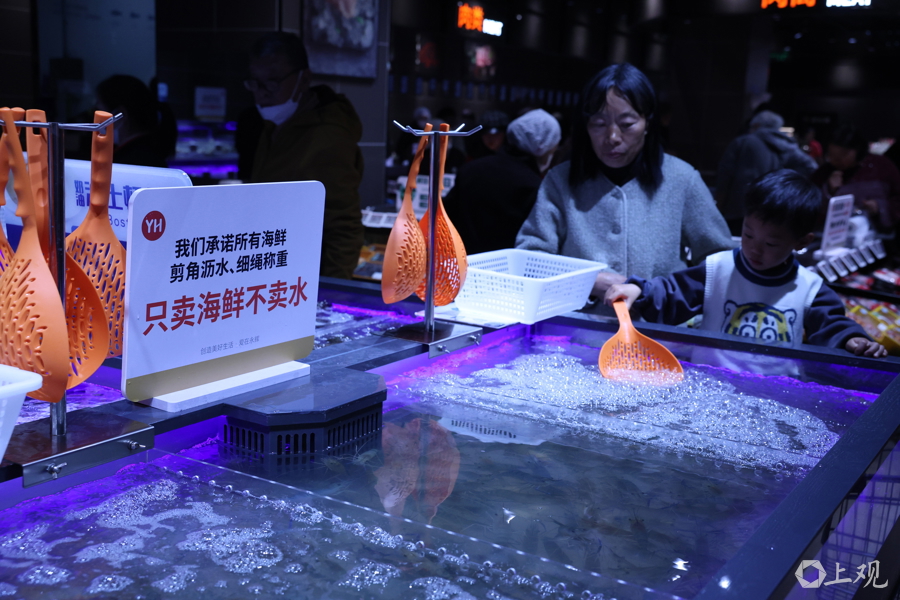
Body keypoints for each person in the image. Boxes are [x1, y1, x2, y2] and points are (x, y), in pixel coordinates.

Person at [604, 170, 886, 357]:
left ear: (802, 241)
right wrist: (639, 290)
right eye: (748, 234)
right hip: (711, 382)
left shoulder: (810, 289)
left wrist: (851, 340)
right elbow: (673, 290)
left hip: (778, 392)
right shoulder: (718, 269)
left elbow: (832, 324)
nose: (754, 248)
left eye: (771, 244)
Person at [516, 63, 733, 297]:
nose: (612, 137)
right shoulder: (560, 180)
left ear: (648, 123)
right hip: (575, 318)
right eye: (599, 124)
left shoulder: (682, 179)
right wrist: (586, 281)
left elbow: (719, 260)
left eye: (627, 124)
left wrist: (668, 299)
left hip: (658, 319)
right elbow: (530, 257)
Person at [246, 31, 364, 280]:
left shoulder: (329, 135)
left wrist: (331, 292)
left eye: (272, 82)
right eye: (255, 83)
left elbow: (343, 227)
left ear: (303, 79)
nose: (261, 93)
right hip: (272, 264)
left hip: (305, 277)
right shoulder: (275, 123)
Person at [444, 109, 561, 254]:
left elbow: (446, 216)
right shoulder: (533, 185)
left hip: (459, 260)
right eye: (553, 148)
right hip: (506, 265)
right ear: (544, 147)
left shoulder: (470, 169)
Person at [715, 110, 817, 235]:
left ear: (756, 125)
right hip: (770, 211)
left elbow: (724, 177)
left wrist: (718, 207)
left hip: (737, 208)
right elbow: (811, 166)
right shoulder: (785, 145)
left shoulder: (743, 141)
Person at [810, 123, 900, 233]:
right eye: (831, 155)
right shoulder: (823, 173)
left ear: (858, 149)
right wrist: (829, 190)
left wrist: (879, 207)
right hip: (832, 235)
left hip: (877, 235)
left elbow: (897, 198)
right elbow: (810, 207)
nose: (836, 160)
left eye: (843, 154)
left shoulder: (881, 166)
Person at [95, 75, 168, 168]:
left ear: (120, 114)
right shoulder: (151, 149)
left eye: (101, 112)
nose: (98, 122)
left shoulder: (130, 161)